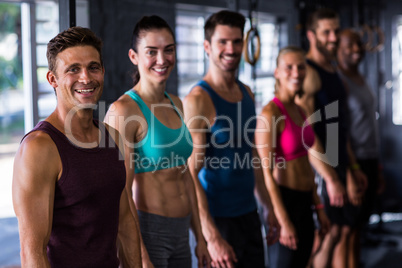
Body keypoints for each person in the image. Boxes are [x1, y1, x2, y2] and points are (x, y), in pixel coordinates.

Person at [12, 27, 142, 267]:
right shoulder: (39, 148)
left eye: (93, 67)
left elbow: (124, 221)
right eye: (73, 69)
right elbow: (32, 253)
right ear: (53, 79)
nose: (86, 78)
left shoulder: (111, 136)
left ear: (103, 71)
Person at [103, 15, 210, 268]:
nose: (162, 60)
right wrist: (140, 254)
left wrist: (201, 237)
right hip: (149, 232)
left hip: (182, 231)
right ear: (134, 57)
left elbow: (186, 176)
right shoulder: (123, 110)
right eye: (152, 52)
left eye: (168, 50)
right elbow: (121, 191)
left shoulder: (177, 103)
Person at [183, 10, 279, 268]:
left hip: (249, 214)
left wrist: (267, 206)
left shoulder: (246, 91)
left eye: (237, 41)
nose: (231, 49)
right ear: (207, 47)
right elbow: (190, 173)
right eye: (222, 42)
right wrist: (210, 235)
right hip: (219, 220)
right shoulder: (199, 99)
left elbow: (252, 155)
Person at [298, 8, 367, 268]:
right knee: (324, 237)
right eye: (326, 31)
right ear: (311, 35)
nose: (333, 37)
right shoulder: (308, 72)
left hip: (338, 162)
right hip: (320, 167)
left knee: (340, 233)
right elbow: (307, 132)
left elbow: (339, 127)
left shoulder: (333, 71)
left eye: (336, 30)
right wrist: (331, 177)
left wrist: (351, 167)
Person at [255, 46, 333, 268]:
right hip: (285, 201)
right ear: (276, 72)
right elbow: (266, 174)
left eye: (301, 67)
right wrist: (283, 221)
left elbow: (307, 164)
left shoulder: (299, 110)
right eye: (289, 67)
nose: (296, 72)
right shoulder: (270, 113)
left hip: (305, 201)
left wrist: (318, 207)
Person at [337, 28, 385, 267]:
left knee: (358, 226)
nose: (357, 49)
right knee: (345, 230)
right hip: (352, 161)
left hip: (368, 158)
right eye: (350, 45)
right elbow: (339, 131)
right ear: (337, 49)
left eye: (358, 44)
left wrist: (376, 167)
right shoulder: (340, 80)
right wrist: (350, 169)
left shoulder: (360, 77)